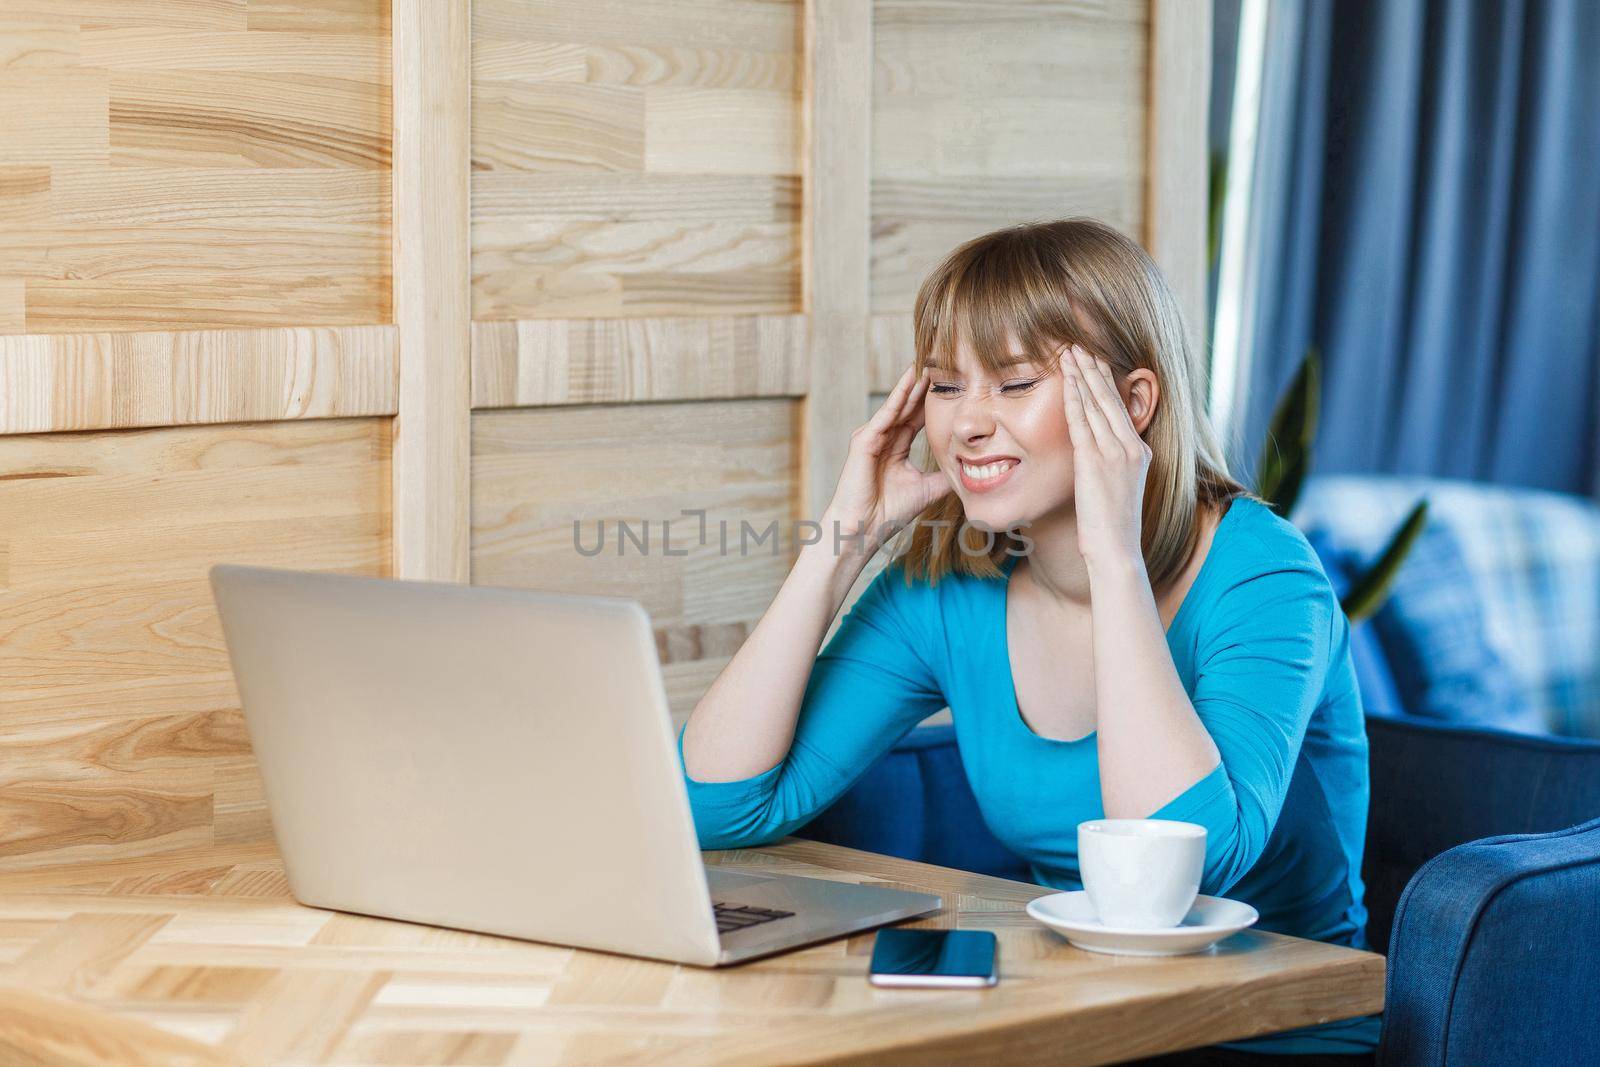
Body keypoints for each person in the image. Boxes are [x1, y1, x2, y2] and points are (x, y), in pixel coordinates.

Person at [676, 218, 1378, 1062]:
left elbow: (1189, 865)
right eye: (944, 385)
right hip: (1069, 1025)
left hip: (1264, 1036)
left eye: (1013, 384)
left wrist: (1111, 555)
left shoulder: (1264, 576)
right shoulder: (950, 588)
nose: (967, 424)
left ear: (1132, 404)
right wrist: (842, 541)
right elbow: (717, 805)